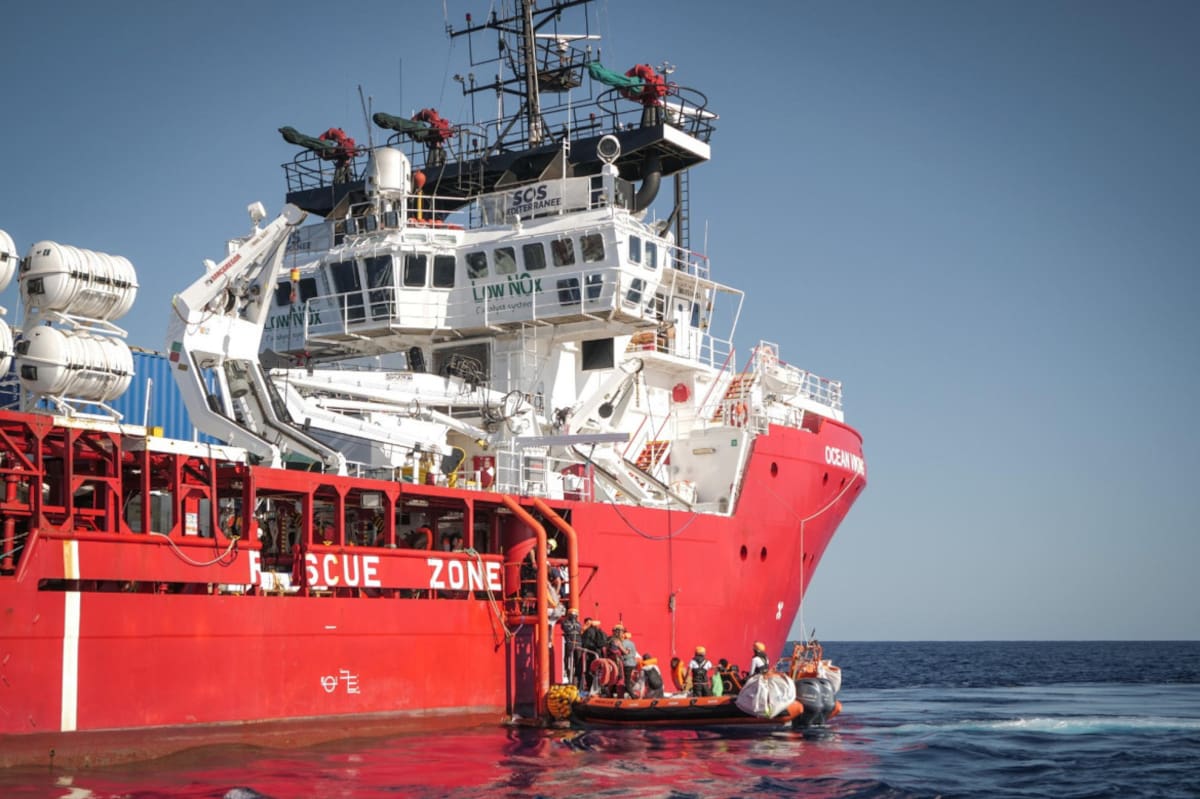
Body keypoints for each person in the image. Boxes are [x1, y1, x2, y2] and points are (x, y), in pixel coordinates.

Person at [579, 617, 607, 691]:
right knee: (600, 671)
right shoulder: (601, 631)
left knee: (590, 670)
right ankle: (601, 688)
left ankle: (590, 687)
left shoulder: (588, 631)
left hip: (590, 654)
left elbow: (585, 643)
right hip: (599, 654)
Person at [561, 608, 583, 685]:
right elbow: (568, 630)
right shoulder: (566, 623)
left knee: (577, 662)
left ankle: (576, 679)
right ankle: (567, 674)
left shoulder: (578, 624)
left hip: (577, 644)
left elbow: (578, 630)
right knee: (568, 660)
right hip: (570, 643)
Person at [618, 629, 640, 696]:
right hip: (632, 663)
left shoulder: (623, 643)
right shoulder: (632, 643)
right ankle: (632, 690)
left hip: (627, 663)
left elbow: (623, 652)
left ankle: (633, 695)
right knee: (628, 678)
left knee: (626, 681)